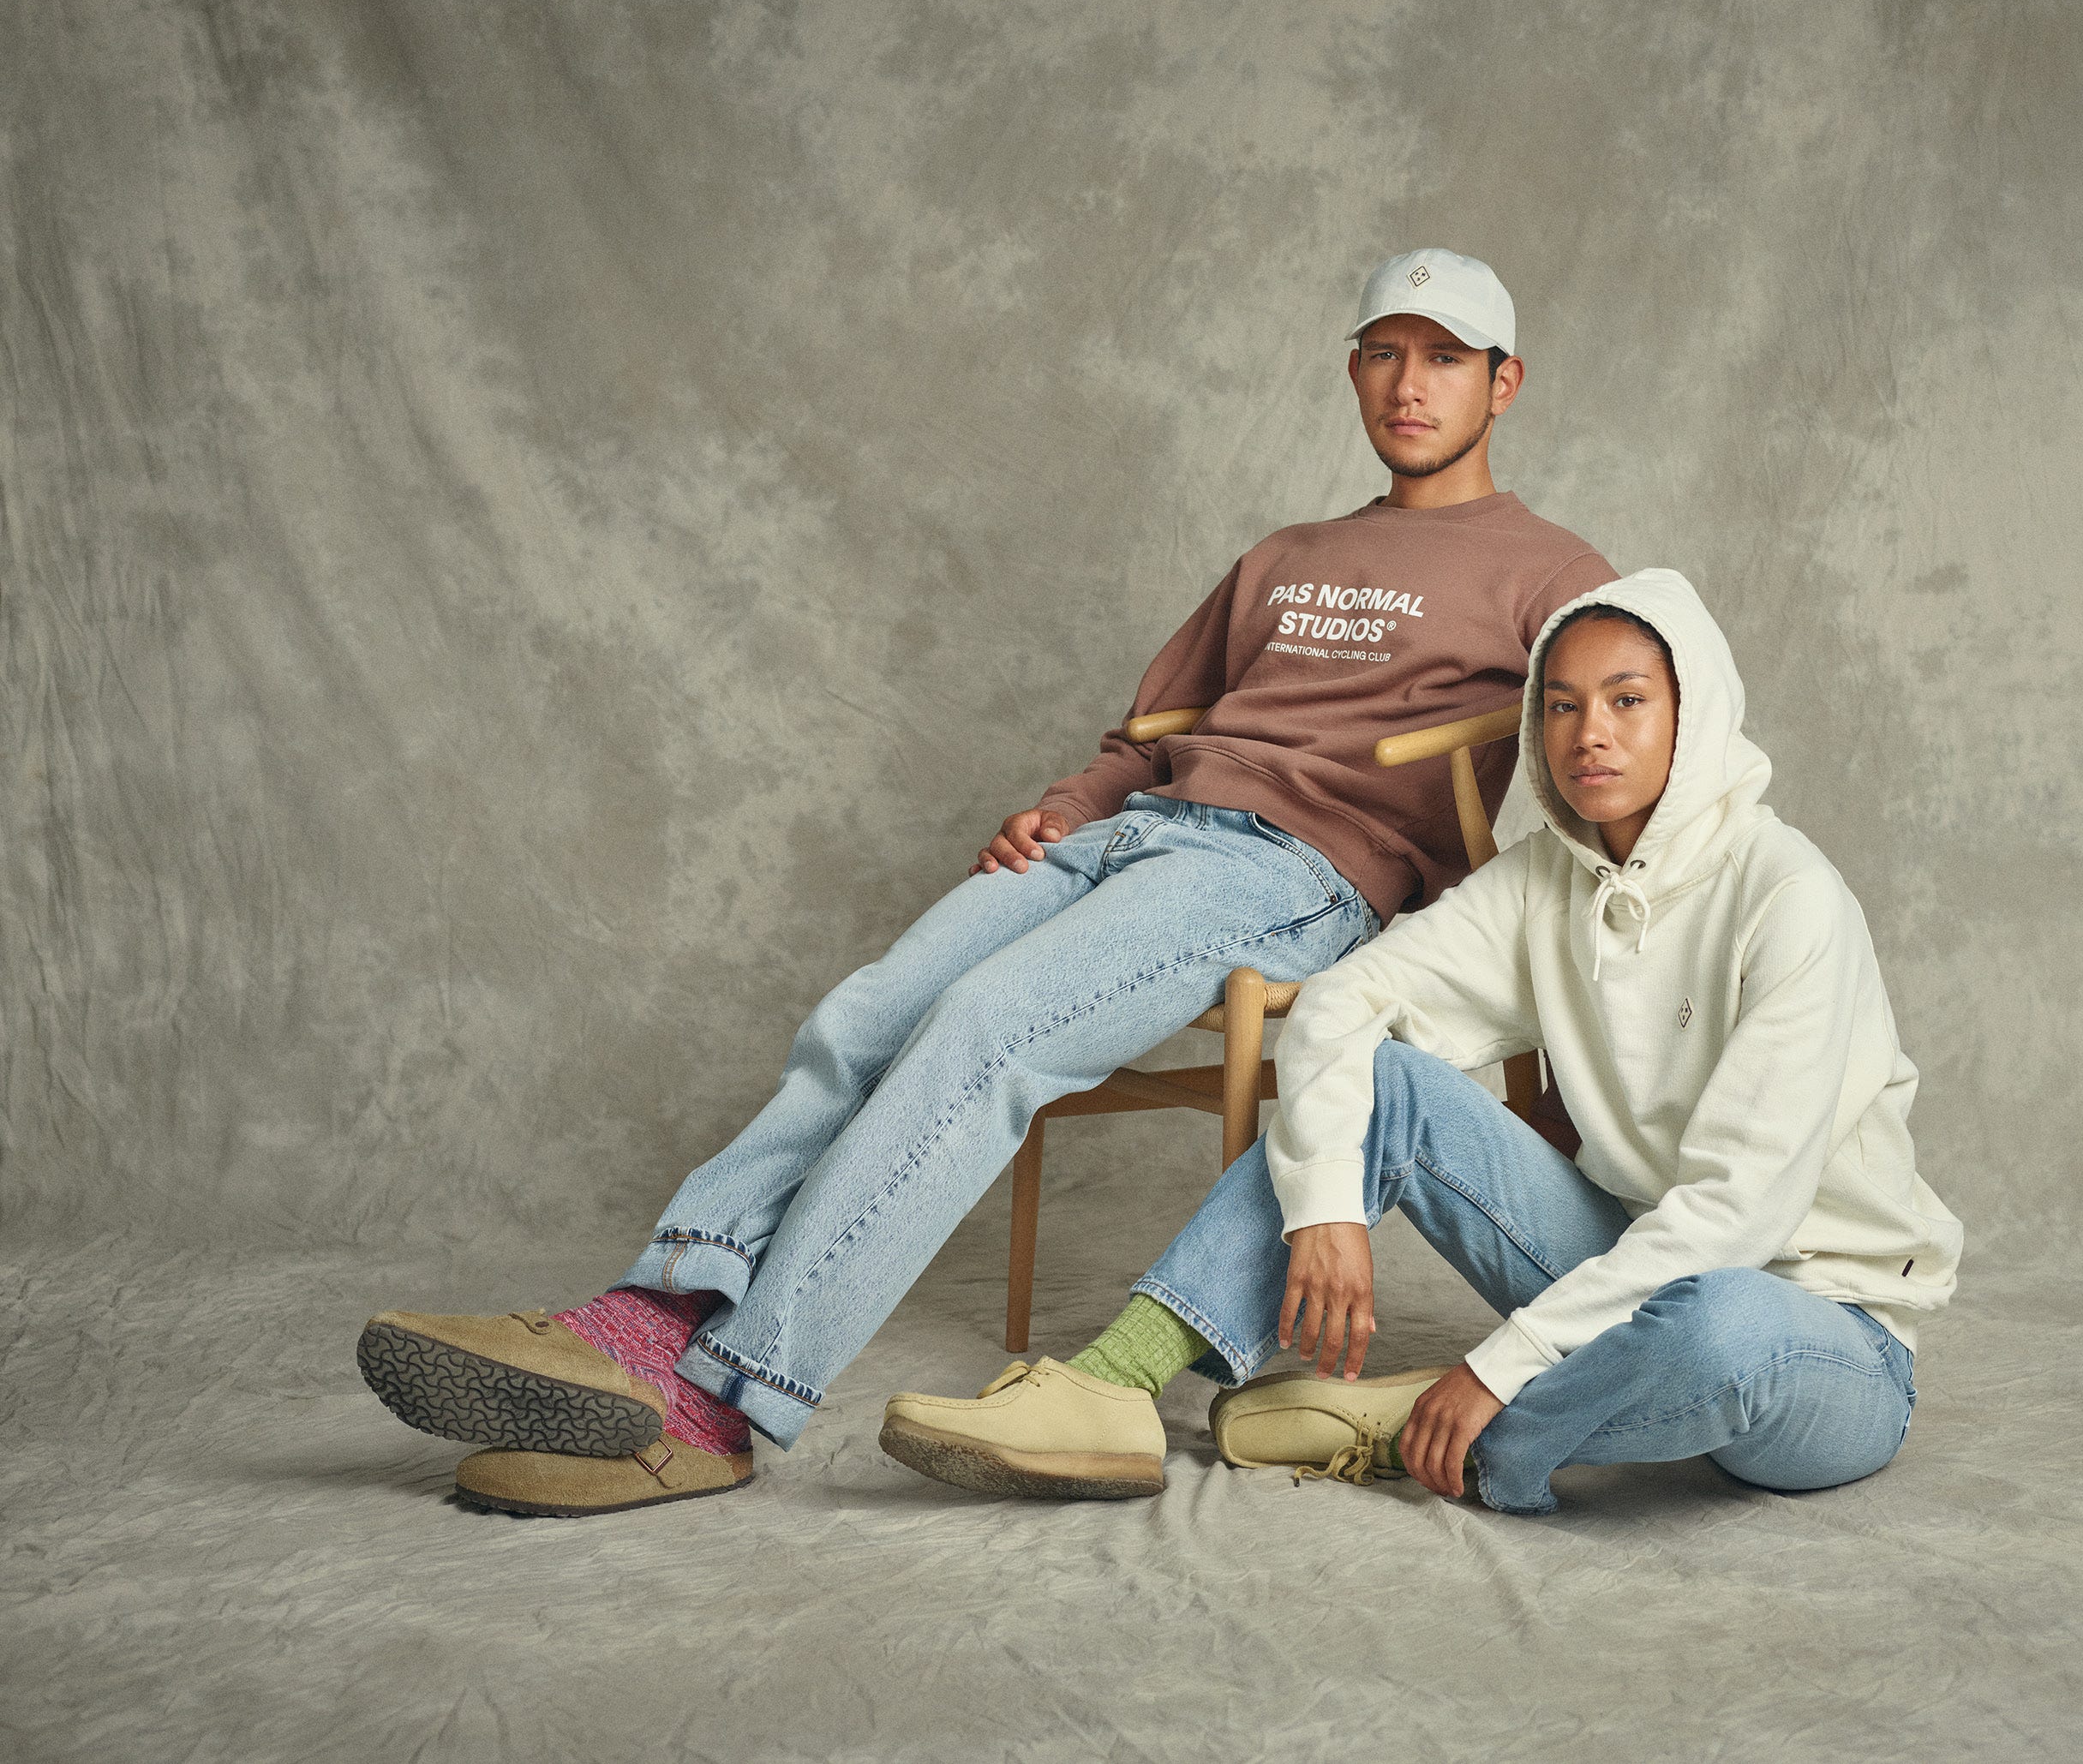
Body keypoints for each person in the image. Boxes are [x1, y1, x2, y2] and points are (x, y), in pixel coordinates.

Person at [356, 248, 1619, 1516]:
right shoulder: (1284, 555)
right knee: (867, 1011)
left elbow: (1620, 745)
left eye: (1444, 358)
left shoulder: (1554, 575)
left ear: (1502, 382)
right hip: (1139, 832)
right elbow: (1146, 734)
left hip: (1292, 872)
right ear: (1353, 370)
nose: (1410, 385)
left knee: (987, 1026)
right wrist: (1068, 809)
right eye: (1385, 354)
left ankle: (722, 1401)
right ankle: (650, 1314)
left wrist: (1568, 1004)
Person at [879, 568, 1962, 1514]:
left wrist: (1497, 1364)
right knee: (1383, 1081)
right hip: (1628, 1269)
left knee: (1720, 1321)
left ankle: (1440, 1431)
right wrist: (1323, 1203)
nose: (1589, 733)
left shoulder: (1789, 898)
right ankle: (1114, 1385)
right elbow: (1345, 1003)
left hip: (1825, 1340)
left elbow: (1735, 1216)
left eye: (1628, 701)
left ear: (1697, 714)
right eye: (1563, 704)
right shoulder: (1545, 882)